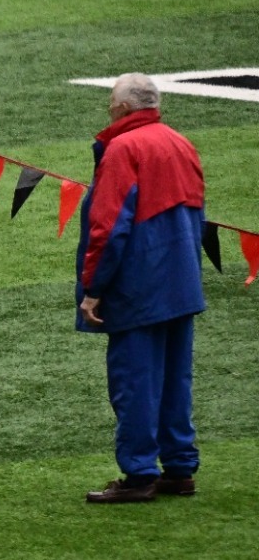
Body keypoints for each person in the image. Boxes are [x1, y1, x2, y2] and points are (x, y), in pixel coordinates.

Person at [75, 73, 206, 504]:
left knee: (135, 383)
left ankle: (139, 475)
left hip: (140, 285)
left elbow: (109, 226)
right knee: (174, 380)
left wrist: (94, 288)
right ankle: (180, 468)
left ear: (124, 109)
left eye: (111, 104)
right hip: (181, 280)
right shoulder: (179, 142)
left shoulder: (123, 148)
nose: (108, 110)